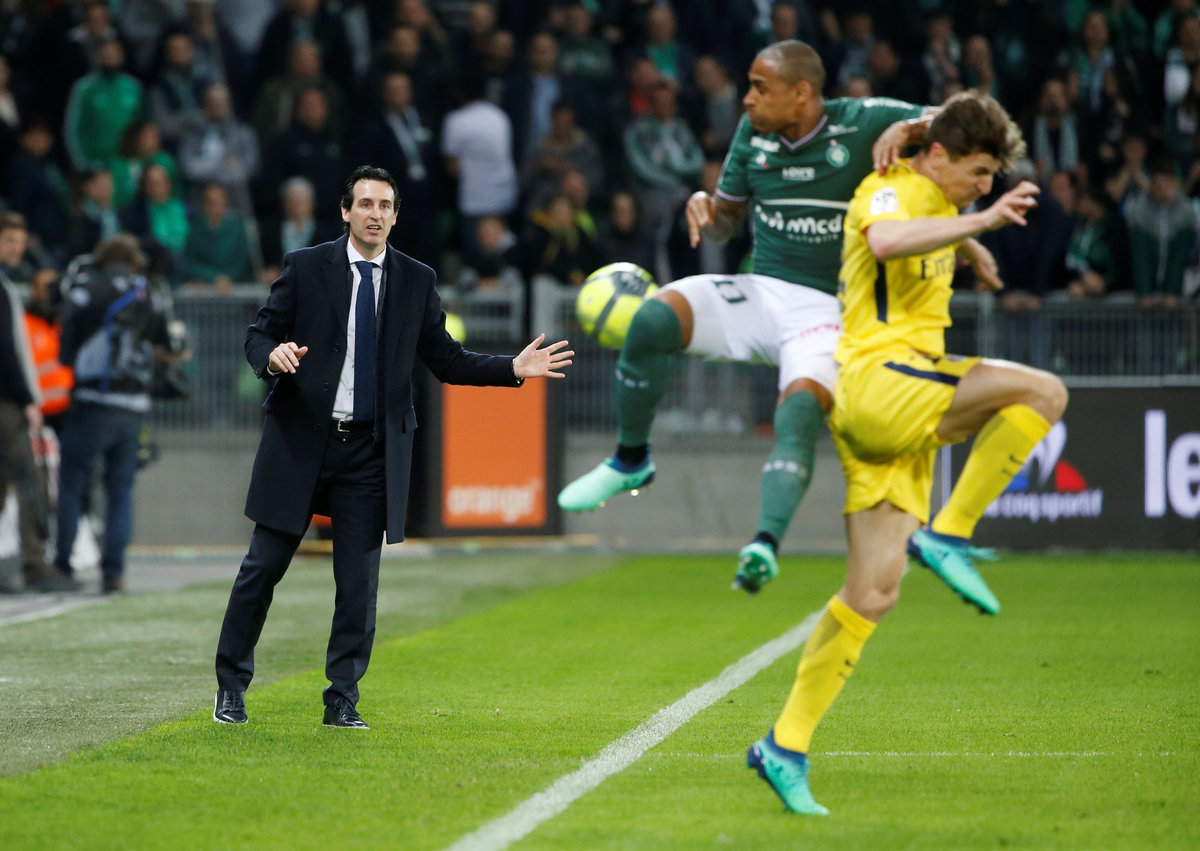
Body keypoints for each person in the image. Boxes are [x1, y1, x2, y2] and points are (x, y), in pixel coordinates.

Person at [745, 90, 1067, 815]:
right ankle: (950, 534)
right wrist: (981, 222)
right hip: (882, 383)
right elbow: (888, 240)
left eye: (990, 180)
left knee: (873, 594)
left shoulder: (937, 200)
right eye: (978, 172)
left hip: (896, 415)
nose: (983, 187)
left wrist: (968, 240)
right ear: (940, 155)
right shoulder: (890, 185)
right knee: (1044, 392)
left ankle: (784, 745)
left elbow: (926, 217)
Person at [558, 40, 944, 593]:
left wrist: (908, 128)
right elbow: (727, 222)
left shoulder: (863, 121)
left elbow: (963, 117)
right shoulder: (753, 133)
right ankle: (631, 459)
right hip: (763, 292)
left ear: (801, 93)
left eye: (760, 88)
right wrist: (707, 208)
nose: (747, 99)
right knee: (653, 319)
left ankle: (764, 543)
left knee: (798, 410)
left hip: (832, 310)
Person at [212, 165, 573, 728]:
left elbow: (447, 360)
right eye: (365, 204)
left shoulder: (416, 279)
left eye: (385, 205)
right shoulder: (305, 267)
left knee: (359, 586)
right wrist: (272, 356)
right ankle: (231, 688)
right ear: (345, 212)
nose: (375, 214)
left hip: (369, 453)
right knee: (261, 570)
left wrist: (511, 368)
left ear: (396, 216)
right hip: (301, 441)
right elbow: (259, 333)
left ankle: (342, 699)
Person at [56, 235, 173, 594]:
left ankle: (62, 566)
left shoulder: (90, 287)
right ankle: (114, 571)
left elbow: (66, 333)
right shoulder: (148, 292)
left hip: (94, 401)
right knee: (120, 490)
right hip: (134, 406)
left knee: (73, 483)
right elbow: (166, 343)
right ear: (134, 261)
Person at [0, 215, 80, 594]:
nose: (18, 248)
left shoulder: (6, 286)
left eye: (20, 240)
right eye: (10, 240)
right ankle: (35, 565)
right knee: (29, 481)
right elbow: (7, 352)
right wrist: (27, 398)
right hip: (7, 404)